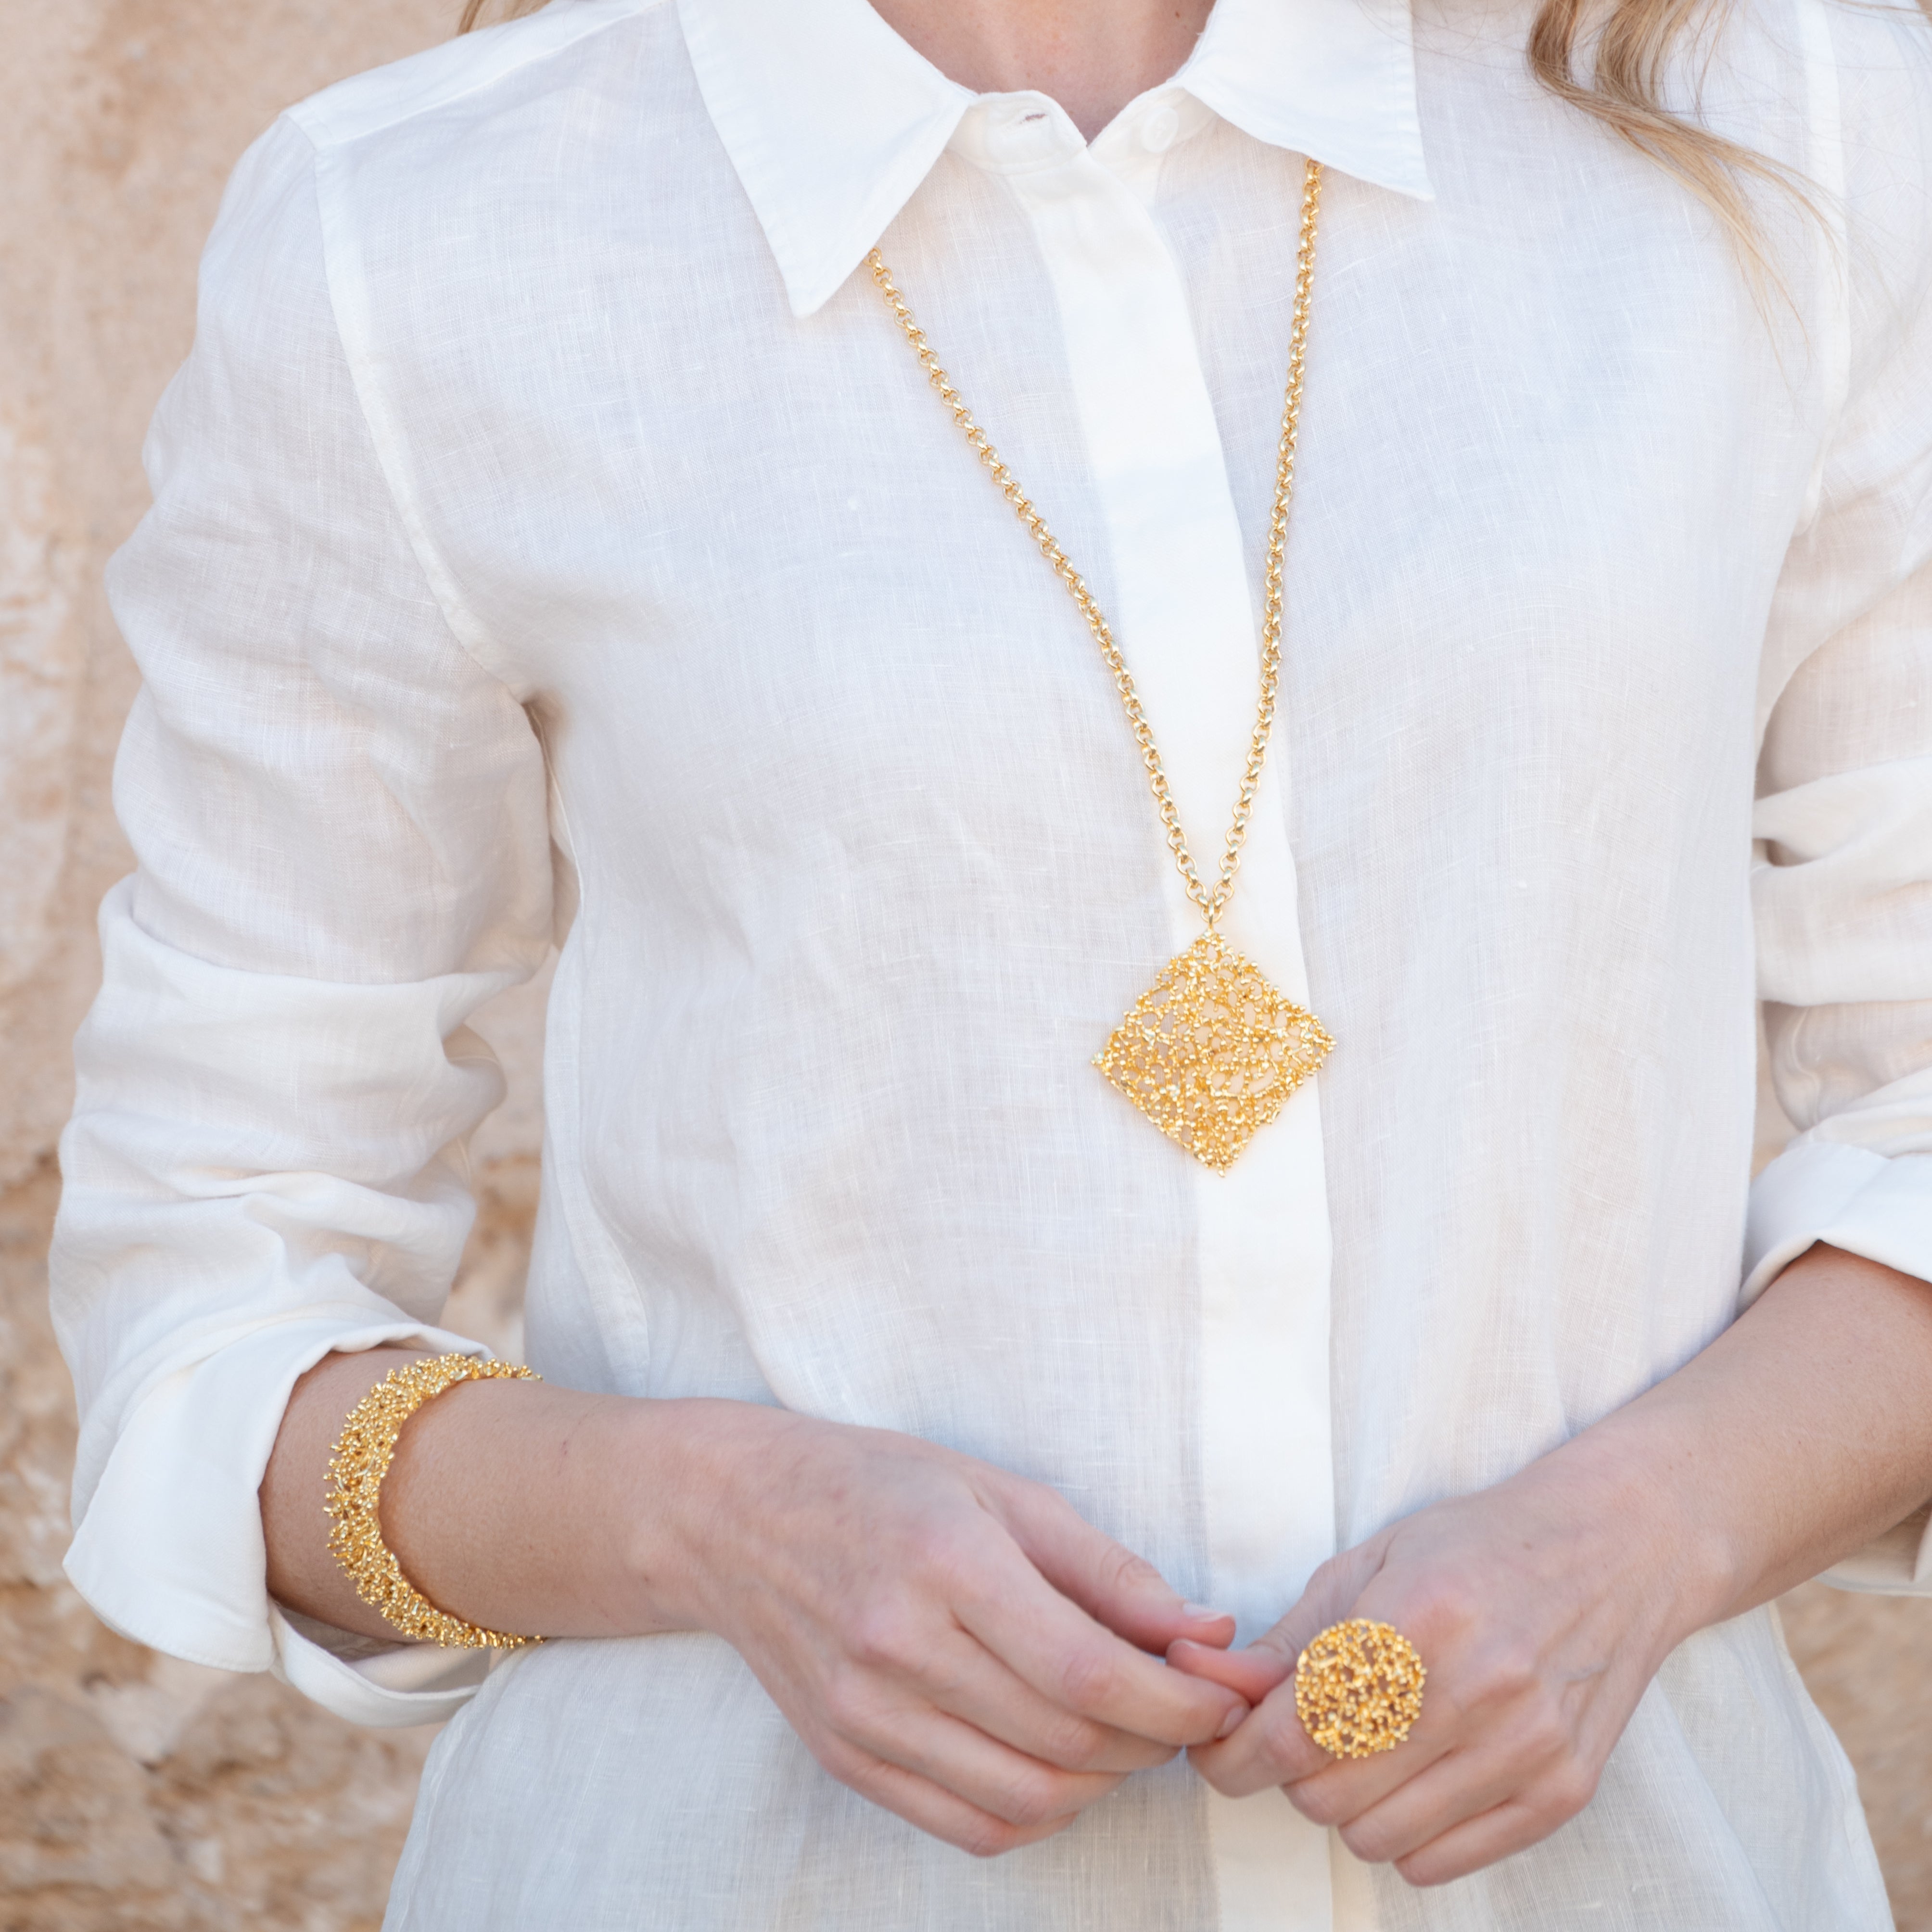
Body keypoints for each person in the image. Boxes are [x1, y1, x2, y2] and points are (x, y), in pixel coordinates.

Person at [48, 0, 1932, 1923]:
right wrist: (718, 1527)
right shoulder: (419, 237)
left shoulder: (1780, 119)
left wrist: (1646, 1531)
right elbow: (214, 1297)